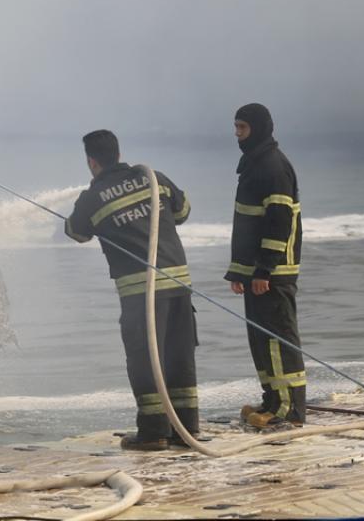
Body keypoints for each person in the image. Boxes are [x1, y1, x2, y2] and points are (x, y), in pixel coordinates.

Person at [64, 130, 200, 451]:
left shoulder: (93, 197)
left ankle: (153, 432)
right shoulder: (154, 179)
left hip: (141, 293)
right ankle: (186, 428)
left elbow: (75, 232)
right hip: (179, 284)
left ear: (92, 162)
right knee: (179, 355)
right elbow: (183, 212)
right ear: (119, 154)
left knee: (144, 359)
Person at [225, 103, 306, 429]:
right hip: (255, 272)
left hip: (273, 272)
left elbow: (278, 222)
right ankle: (272, 400)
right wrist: (238, 271)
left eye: (242, 128)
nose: (237, 134)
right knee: (260, 340)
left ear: (258, 129)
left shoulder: (273, 167)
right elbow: (247, 226)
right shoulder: (254, 163)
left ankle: (289, 410)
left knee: (277, 340)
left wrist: (264, 270)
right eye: (236, 127)